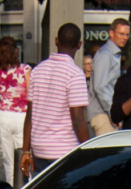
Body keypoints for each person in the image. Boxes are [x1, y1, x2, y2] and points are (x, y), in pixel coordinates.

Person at [20, 22, 90, 176]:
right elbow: (78, 119)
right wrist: (89, 151)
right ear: (79, 45)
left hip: (38, 149)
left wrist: (26, 150)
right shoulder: (75, 74)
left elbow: (29, 115)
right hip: (64, 151)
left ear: (56, 41)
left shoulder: (37, 70)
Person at [0, 36, 31, 186]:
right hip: (22, 116)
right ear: (16, 50)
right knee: (24, 156)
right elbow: (30, 93)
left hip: (4, 116)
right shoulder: (25, 69)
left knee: (8, 159)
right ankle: (25, 188)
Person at [87, 18, 131, 136]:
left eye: (127, 34)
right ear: (111, 33)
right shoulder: (106, 54)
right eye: (121, 34)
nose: (125, 37)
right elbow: (100, 87)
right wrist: (113, 113)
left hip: (106, 113)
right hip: (103, 114)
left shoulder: (113, 54)